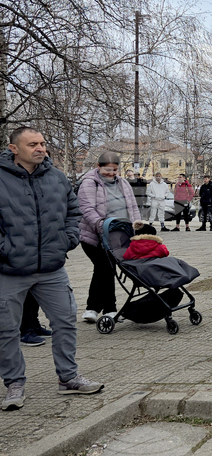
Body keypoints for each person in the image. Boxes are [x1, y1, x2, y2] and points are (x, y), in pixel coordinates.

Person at [1, 126, 102, 412]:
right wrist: (5, 249)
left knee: (65, 321)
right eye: (32, 144)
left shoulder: (56, 177)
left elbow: (73, 211)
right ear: (13, 149)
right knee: (6, 330)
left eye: (42, 143)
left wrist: (67, 240)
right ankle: (14, 383)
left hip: (51, 267)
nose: (40, 148)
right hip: (9, 269)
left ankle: (68, 377)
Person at [77, 152, 142, 324]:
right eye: (107, 169)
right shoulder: (89, 183)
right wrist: (101, 225)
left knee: (102, 269)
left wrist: (137, 225)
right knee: (106, 268)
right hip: (94, 236)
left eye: (114, 170)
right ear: (98, 166)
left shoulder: (123, 183)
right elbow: (86, 209)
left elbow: (132, 207)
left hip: (118, 235)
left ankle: (92, 308)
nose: (111, 173)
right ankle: (110, 309)